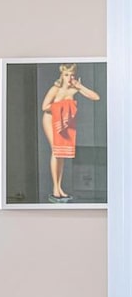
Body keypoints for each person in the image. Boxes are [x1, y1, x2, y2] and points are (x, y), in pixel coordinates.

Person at [41, 63, 100, 203]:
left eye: (71, 74)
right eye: (66, 75)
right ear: (61, 75)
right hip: (50, 120)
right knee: (56, 151)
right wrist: (64, 105)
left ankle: (59, 188)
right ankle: (55, 188)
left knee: (61, 153)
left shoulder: (74, 89)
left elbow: (95, 97)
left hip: (64, 122)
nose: (69, 77)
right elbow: (45, 107)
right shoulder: (55, 89)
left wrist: (80, 87)